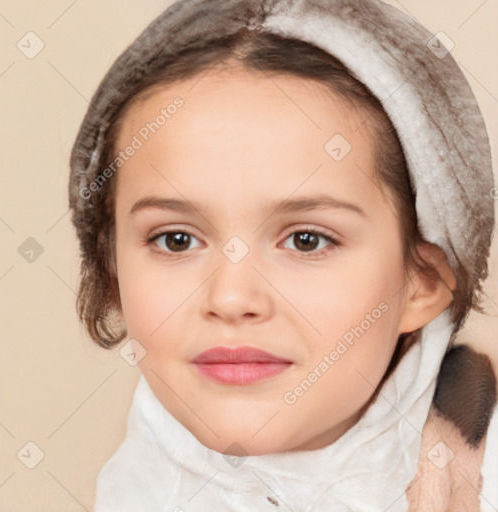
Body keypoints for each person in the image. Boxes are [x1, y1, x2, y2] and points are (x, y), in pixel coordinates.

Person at [68, 0, 497, 510]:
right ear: (113, 270)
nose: (230, 298)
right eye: (176, 239)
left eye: (306, 240)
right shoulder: (132, 487)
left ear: (422, 281)